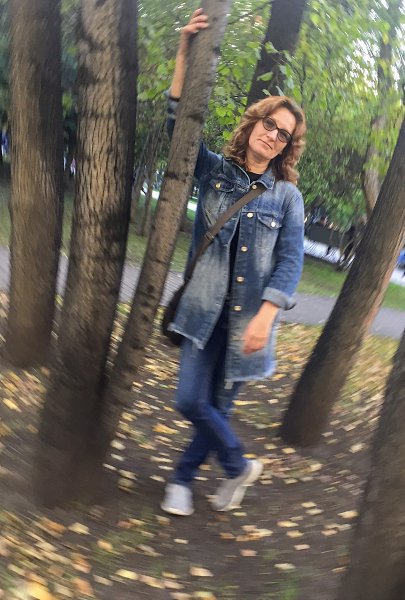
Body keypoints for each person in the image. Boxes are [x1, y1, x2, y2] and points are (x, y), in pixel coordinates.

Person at [161, 9, 306, 516]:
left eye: (283, 134)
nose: (273, 136)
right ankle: (238, 464)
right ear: (254, 124)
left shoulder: (287, 197)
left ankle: (182, 481)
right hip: (203, 311)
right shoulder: (215, 172)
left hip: (250, 322)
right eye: (270, 124)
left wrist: (267, 316)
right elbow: (178, 129)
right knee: (189, 401)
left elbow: (290, 261)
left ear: (287, 146)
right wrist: (184, 56)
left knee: (219, 408)